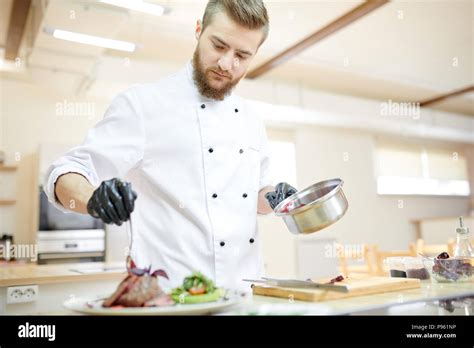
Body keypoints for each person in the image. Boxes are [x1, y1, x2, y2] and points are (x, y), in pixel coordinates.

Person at [45, 0, 296, 291]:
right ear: (199, 30)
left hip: (244, 296)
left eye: (242, 55)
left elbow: (251, 197)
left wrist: (276, 197)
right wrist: (93, 200)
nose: (228, 64)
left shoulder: (252, 120)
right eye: (218, 46)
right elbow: (66, 171)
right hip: (169, 299)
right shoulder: (143, 105)